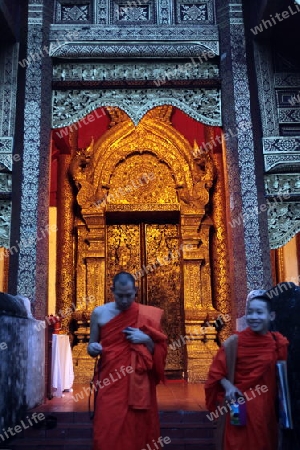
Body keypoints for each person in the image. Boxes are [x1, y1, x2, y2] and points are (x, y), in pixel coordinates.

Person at [87, 271, 167, 450]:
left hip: (138, 383)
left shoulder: (147, 315)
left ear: (136, 291)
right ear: (112, 290)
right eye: (120, 296)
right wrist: (93, 348)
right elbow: (91, 346)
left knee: (138, 429)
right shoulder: (99, 313)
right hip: (110, 381)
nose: (124, 301)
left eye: (128, 296)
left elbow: (161, 350)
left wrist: (146, 340)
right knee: (106, 427)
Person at [205, 290, 289, 450]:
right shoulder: (234, 342)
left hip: (265, 410)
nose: (253, 317)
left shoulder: (278, 342)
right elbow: (216, 373)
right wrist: (229, 386)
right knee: (237, 443)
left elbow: (282, 379)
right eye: (250, 312)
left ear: (271, 316)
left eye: (259, 312)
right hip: (239, 405)